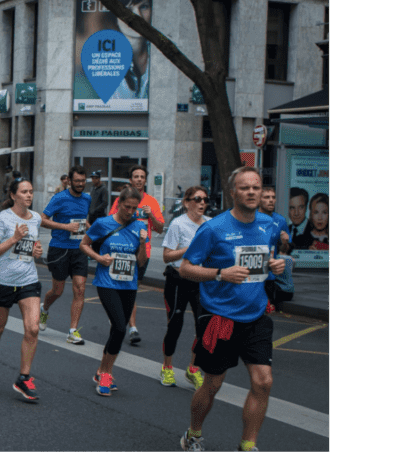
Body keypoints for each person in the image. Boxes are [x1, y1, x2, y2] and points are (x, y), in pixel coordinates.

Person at [179, 167, 285, 452]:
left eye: (256, 187)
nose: (252, 192)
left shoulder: (269, 225)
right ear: (232, 193)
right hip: (221, 317)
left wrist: (276, 266)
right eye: (245, 188)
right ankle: (193, 433)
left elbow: (266, 263)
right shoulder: (214, 228)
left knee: (263, 382)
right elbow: (186, 268)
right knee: (213, 384)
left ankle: (247, 445)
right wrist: (219, 274)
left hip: (257, 315)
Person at [79, 187, 149, 396]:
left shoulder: (139, 226)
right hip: (106, 281)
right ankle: (107, 374)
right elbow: (84, 244)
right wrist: (99, 258)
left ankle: (101, 370)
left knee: (117, 330)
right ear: (119, 204)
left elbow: (141, 262)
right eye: (127, 207)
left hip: (129, 284)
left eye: (134, 208)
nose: (130, 211)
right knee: (119, 327)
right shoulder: (103, 224)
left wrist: (144, 243)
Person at [0, 178, 43, 401]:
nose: (29, 195)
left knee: (33, 329)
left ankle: (24, 378)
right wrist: (14, 238)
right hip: (3, 281)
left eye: (31, 191)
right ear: (13, 195)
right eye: (24, 192)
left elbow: (32, 246)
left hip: (28, 280)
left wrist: (37, 251)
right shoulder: (2, 219)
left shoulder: (36, 218)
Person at [159, 186, 209, 390]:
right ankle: (167, 367)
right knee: (175, 324)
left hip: (201, 280)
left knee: (203, 327)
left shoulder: (210, 224)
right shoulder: (178, 224)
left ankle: (193, 368)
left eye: (205, 199)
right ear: (187, 203)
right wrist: (188, 249)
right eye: (197, 199)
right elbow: (166, 256)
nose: (202, 203)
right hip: (178, 279)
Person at [109, 165, 165, 345]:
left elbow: (160, 227)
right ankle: (127, 325)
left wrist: (151, 216)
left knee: (132, 289)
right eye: (136, 176)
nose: (139, 179)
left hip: (142, 252)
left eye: (142, 176)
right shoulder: (121, 199)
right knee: (123, 288)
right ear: (131, 180)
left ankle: (127, 324)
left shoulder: (152, 202)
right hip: (121, 251)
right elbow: (111, 222)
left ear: (145, 180)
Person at [39, 166, 92, 345]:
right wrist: (65, 227)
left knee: (80, 289)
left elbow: (83, 219)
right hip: (60, 248)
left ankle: (72, 331)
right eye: (77, 181)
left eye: (83, 181)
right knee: (58, 291)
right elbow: (43, 219)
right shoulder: (59, 198)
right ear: (69, 181)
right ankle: (44, 309)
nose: (80, 184)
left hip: (79, 249)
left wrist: (91, 229)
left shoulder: (87, 198)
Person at [259, 187, 295, 311]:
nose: (271, 200)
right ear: (259, 200)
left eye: (273, 197)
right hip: (253, 269)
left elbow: (285, 250)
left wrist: (285, 242)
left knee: (268, 310)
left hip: (269, 271)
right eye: (266, 197)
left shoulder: (280, 220)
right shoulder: (251, 217)